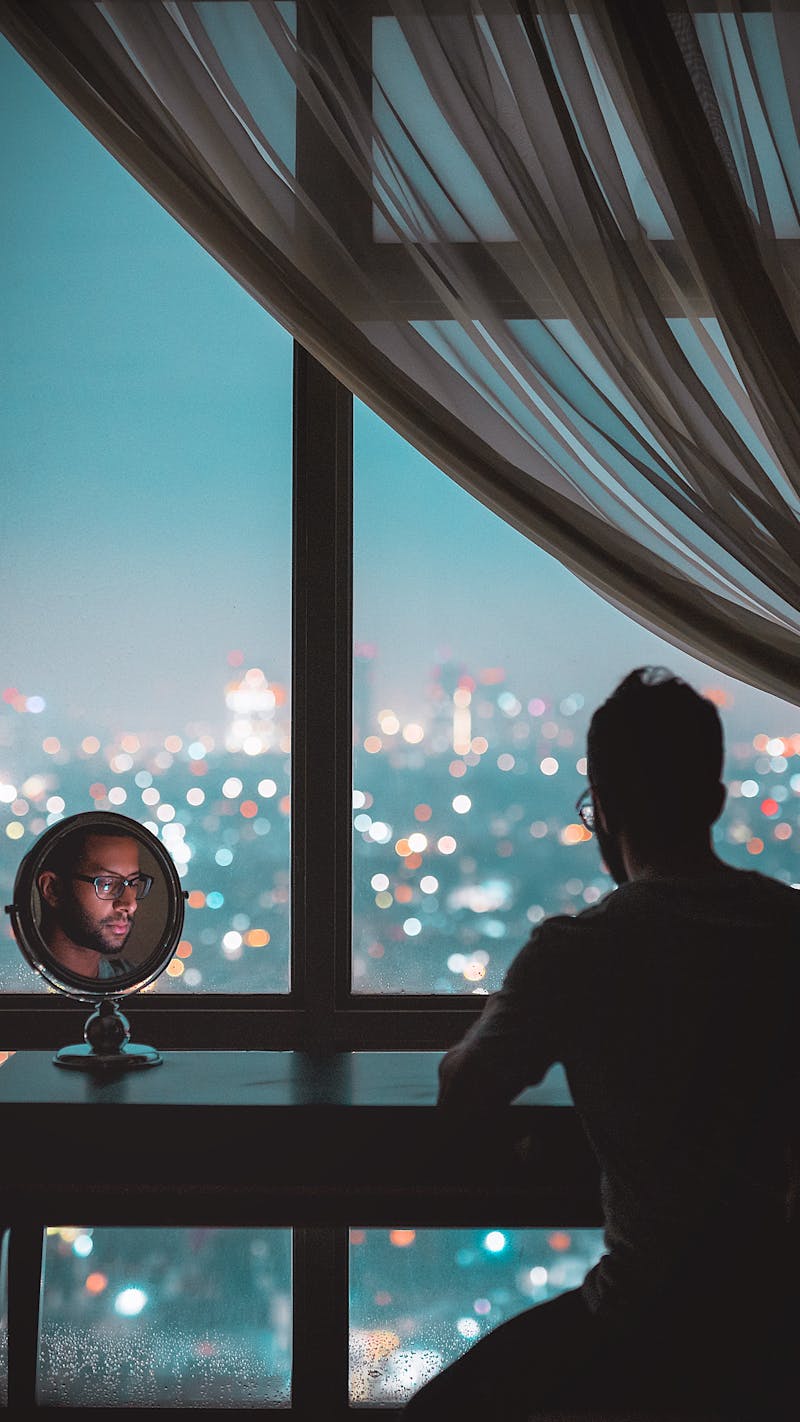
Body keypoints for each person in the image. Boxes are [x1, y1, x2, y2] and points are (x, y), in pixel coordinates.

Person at [403, 667, 800, 1420]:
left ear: (605, 813)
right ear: (713, 803)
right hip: (780, 1336)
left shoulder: (582, 952)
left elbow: (466, 1091)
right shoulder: (787, 930)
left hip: (647, 1326)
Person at [37, 826, 151, 981]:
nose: (131, 904)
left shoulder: (141, 987)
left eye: (134, 883)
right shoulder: (12, 988)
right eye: (107, 884)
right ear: (52, 889)